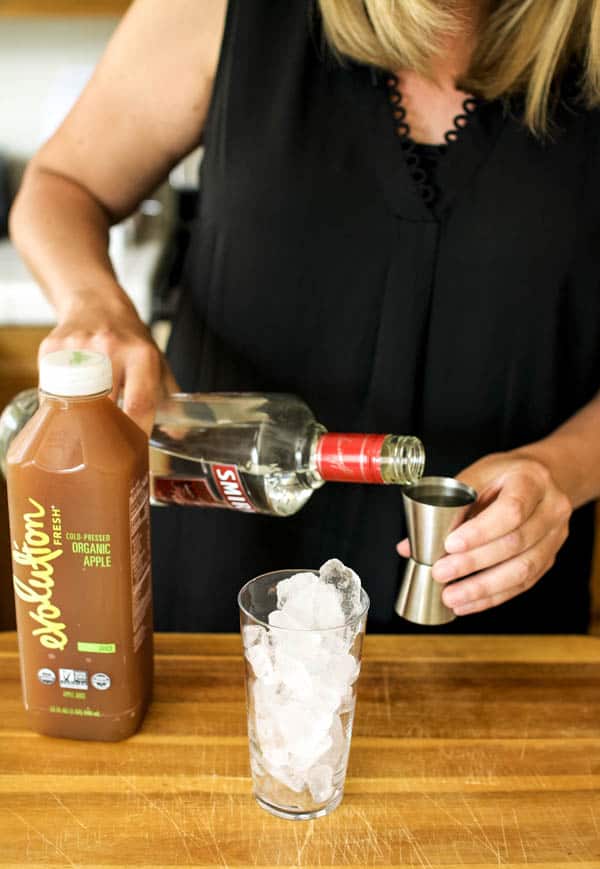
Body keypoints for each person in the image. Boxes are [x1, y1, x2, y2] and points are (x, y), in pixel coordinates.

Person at [9, 0, 600, 633]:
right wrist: (95, 305)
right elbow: (63, 185)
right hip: (219, 598)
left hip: (499, 616)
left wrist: (561, 468)